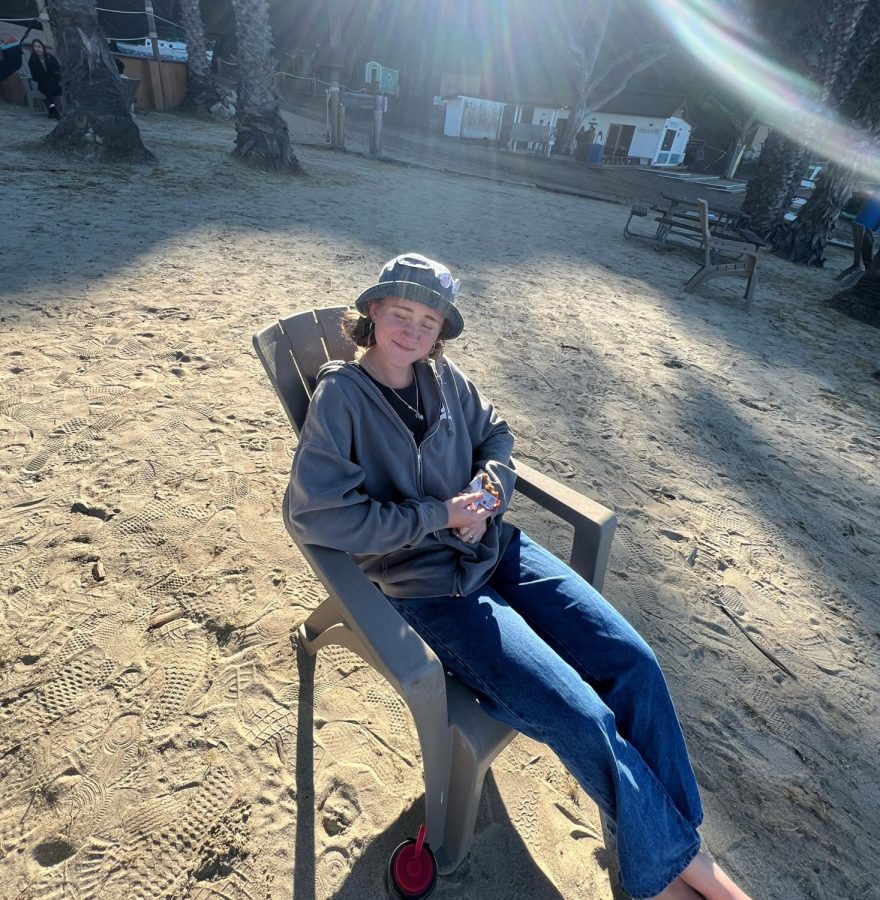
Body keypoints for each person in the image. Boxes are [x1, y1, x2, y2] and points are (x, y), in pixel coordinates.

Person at [287, 252, 752, 900]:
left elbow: (497, 440)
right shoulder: (343, 398)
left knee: (636, 663)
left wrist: (488, 494)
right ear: (372, 312)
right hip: (434, 590)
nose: (415, 331)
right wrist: (436, 516)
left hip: (499, 552)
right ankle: (683, 875)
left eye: (429, 320)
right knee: (581, 714)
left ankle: (668, 854)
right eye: (402, 314)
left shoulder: (446, 381)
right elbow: (317, 515)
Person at [27, 38, 62, 119]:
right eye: (35, 46)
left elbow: (58, 70)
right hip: (42, 83)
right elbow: (34, 76)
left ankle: (52, 111)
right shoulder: (32, 60)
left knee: (51, 89)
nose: (37, 48)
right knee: (48, 89)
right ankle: (54, 111)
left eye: (39, 46)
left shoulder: (50, 57)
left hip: (54, 82)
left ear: (42, 47)